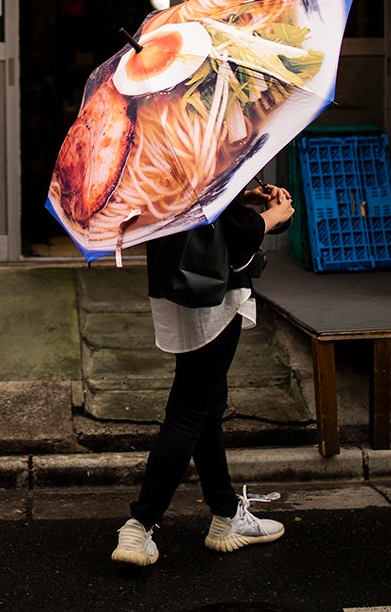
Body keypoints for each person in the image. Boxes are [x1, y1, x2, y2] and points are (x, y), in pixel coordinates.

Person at [110, 182, 296, 567]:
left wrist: (239, 197)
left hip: (180, 280)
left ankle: (225, 514)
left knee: (208, 404)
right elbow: (237, 234)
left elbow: (195, 202)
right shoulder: (204, 143)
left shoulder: (164, 150)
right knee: (189, 410)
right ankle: (139, 525)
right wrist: (272, 217)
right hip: (213, 290)